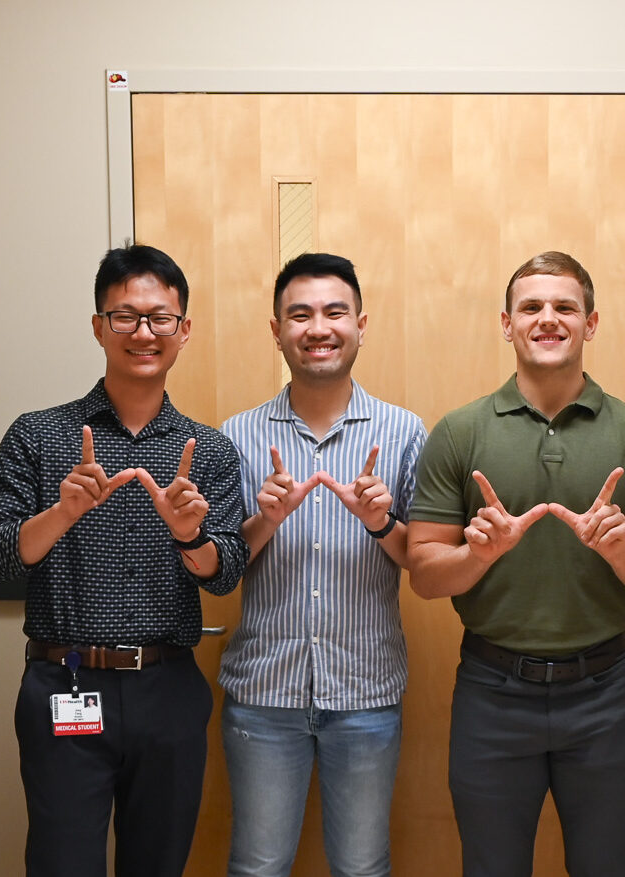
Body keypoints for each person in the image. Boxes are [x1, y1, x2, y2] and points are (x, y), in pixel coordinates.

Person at [408, 251, 625, 877]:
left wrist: (621, 551)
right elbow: (425, 575)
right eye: (531, 307)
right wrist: (477, 555)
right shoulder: (459, 433)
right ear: (506, 324)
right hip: (492, 693)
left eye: (565, 307)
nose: (548, 319)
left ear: (591, 323)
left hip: (604, 695)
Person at [0, 244, 250, 877]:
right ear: (98, 326)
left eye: (159, 318)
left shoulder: (206, 450)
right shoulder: (39, 435)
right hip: (65, 682)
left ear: (184, 330)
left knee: (159, 863)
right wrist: (61, 514)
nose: (142, 333)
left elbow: (227, 568)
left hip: (169, 687)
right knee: (62, 863)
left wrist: (190, 538)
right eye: (124, 317)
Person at [218, 252, 426, 877]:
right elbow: (217, 566)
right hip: (263, 693)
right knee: (256, 866)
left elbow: (426, 564)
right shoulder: (238, 434)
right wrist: (265, 521)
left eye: (335, 312)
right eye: (299, 314)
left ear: (361, 323)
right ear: (277, 329)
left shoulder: (404, 431)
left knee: (363, 867)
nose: (318, 327)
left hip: (365, 692)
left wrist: (380, 522)